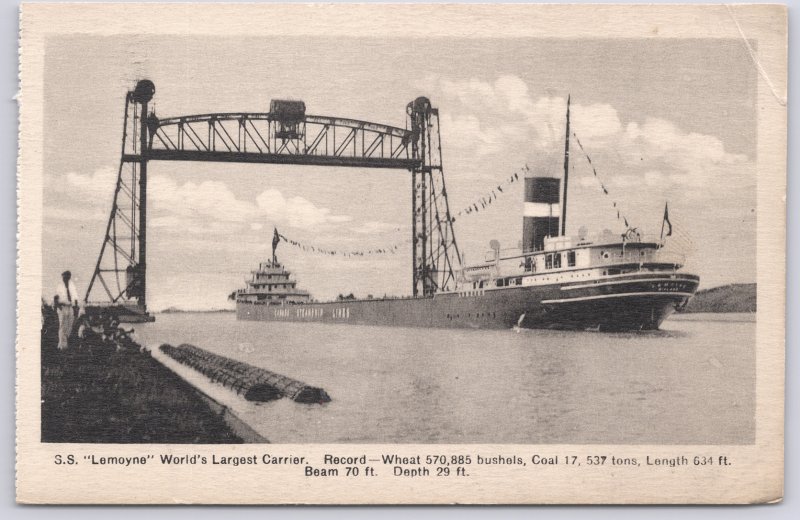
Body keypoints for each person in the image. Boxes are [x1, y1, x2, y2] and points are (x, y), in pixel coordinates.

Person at [54, 270, 79, 350]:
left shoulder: (71, 285)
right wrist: (58, 306)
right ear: (63, 277)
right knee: (62, 325)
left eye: (68, 276)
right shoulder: (59, 285)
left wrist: (75, 308)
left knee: (70, 325)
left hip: (70, 306)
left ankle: (66, 342)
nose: (67, 278)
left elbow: (75, 297)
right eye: (65, 276)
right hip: (62, 306)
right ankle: (62, 345)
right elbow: (56, 298)